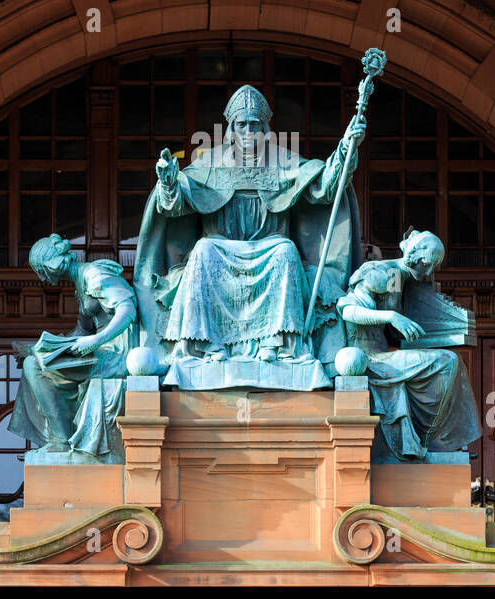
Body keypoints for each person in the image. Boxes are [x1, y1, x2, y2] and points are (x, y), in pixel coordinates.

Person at [134, 84, 364, 389]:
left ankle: (277, 343)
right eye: (241, 125)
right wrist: (168, 183)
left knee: (285, 250)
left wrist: (346, 149)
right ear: (230, 128)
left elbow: (324, 187)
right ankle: (206, 345)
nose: (248, 132)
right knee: (203, 249)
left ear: (266, 129)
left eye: (255, 125)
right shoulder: (210, 162)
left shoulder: (284, 161)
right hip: (220, 248)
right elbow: (176, 204)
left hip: (270, 248)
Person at [339, 230, 481, 461]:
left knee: (453, 363)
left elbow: (393, 332)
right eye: (426, 264)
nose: (428, 272)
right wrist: (392, 318)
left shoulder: (399, 279)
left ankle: (438, 440)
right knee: (449, 362)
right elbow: (348, 310)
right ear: (412, 255)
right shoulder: (382, 273)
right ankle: (430, 439)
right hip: (371, 358)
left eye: (433, 267)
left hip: (384, 353)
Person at [7, 234, 136, 459]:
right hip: (103, 351)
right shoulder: (81, 282)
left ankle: (60, 440)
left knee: (34, 367)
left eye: (42, 272)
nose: (43, 280)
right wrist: (41, 348)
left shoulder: (95, 275)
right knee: (34, 360)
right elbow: (82, 331)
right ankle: (59, 438)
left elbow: (127, 310)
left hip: (118, 354)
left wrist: (96, 340)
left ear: (51, 265)